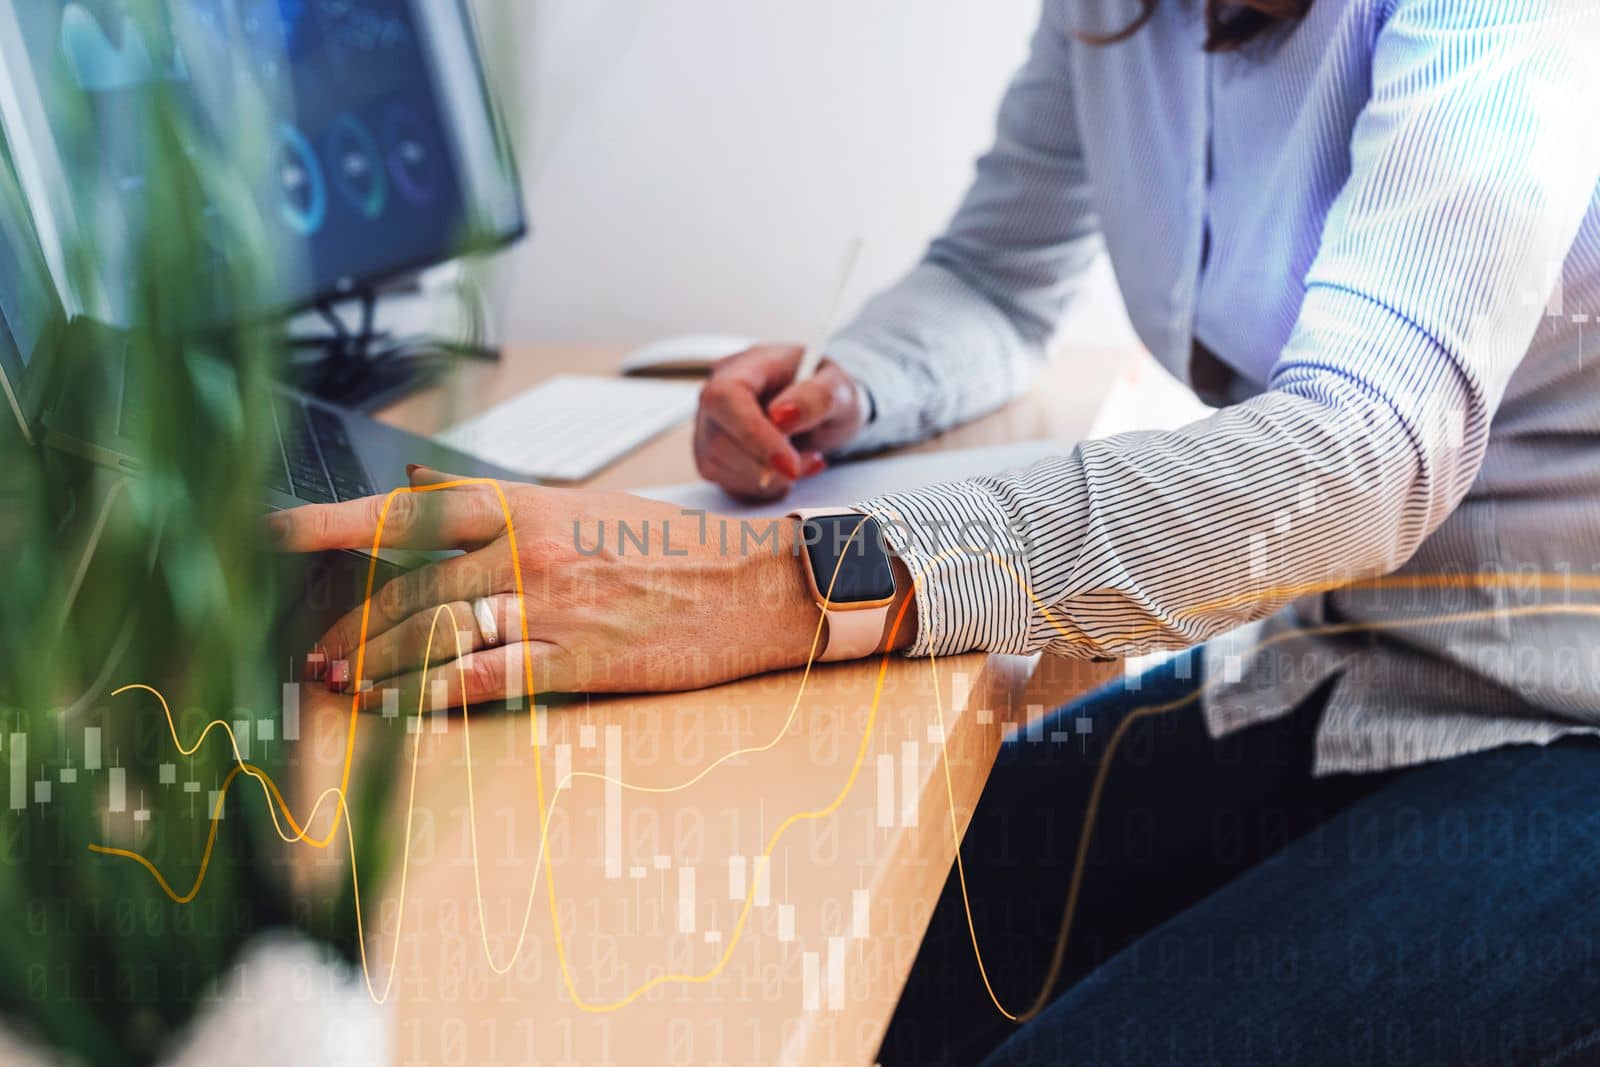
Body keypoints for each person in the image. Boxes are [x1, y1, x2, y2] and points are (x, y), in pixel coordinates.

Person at [273, 0, 1600, 1061]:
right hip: (1333, 665)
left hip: (1562, 720)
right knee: (805, 944)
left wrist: (772, 581)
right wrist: (847, 387)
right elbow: (992, 275)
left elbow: (1364, 459)